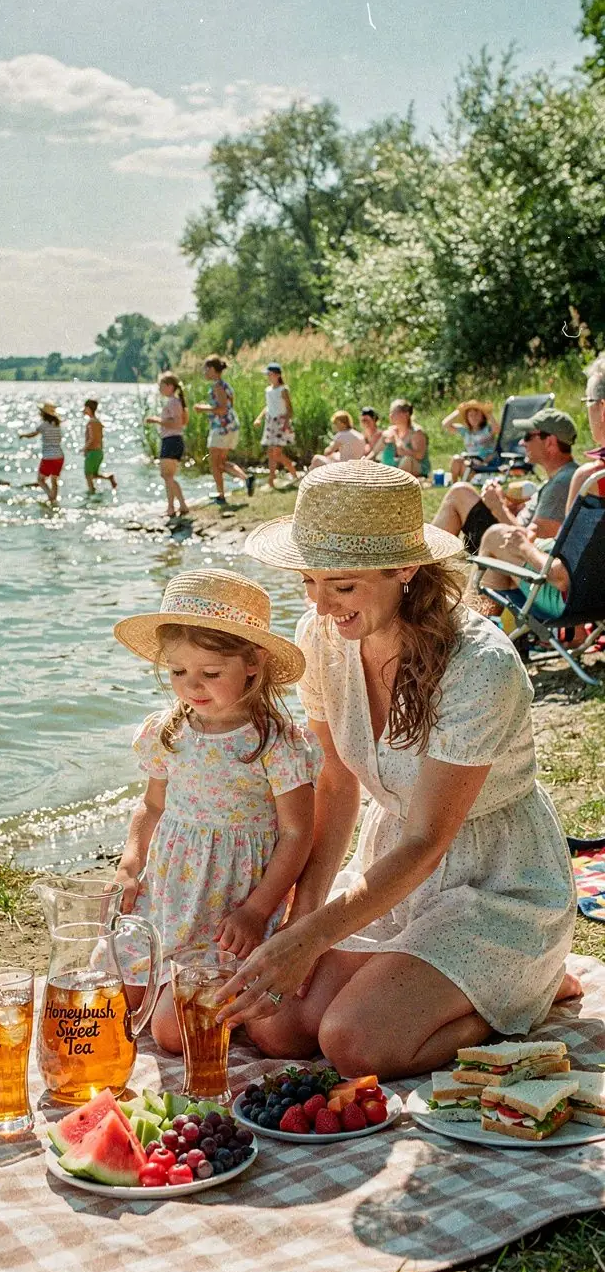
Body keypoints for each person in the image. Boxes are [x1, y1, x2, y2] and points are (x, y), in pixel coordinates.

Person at [212, 461, 576, 1080]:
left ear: (405, 569)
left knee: (354, 1044)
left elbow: (427, 841)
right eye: (309, 580)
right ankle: (439, 984)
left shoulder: (479, 666)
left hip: (497, 884)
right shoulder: (322, 637)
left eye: (343, 586)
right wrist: (305, 920)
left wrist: (307, 942)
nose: (321, 605)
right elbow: (336, 784)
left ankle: (524, 993)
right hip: (393, 868)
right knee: (278, 1028)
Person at [111, 568, 320, 1053]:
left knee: (169, 1032)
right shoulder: (167, 732)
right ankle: (186, 989)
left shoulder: (275, 743)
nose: (190, 687)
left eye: (210, 673)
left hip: (229, 911)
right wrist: (129, 864)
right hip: (168, 901)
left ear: (253, 663)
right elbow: (152, 804)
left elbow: (297, 834)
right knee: (119, 998)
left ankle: (242, 1000)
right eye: (178, 672)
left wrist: (257, 909)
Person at [477, 366, 605, 617]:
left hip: (578, 602)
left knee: (495, 536)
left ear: (602, 409)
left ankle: (478, 633)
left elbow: (562, 578)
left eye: (588, 402)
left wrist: (524, 547)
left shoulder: (591, 479)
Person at [432, 408, 579, 555]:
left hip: (509, 548)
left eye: (528, 436)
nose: (522, 442)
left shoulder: (562, 483)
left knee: (459, 493)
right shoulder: (563, 477)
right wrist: (515, 509)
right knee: (460, 492)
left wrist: (498, 507)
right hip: (508, 536)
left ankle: (424, 564)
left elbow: (536, 544)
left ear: (549, 442)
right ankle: (425, 564)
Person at [194, 356, 255, 504]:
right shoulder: (224, 385)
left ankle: (221, 496)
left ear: (213, 369)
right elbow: (229, 406)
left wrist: (203, 408)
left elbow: (222, 409)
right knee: (221, 463)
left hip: (221, 428)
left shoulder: (217, 386)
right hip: (230, 426)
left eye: (206, 368)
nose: (204, 371)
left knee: (214, 463)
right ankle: (247, 479)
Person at [145, 373, 189, 518]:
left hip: (172, 440)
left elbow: (177, 423)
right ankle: (171, 507)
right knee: (168, 476)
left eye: (161, 386)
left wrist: (157, 420)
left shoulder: (173, 402)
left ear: (170, 386)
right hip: (173, 440)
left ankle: (182, 505)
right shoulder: (175, 401)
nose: (159, 389)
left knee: (166, 475)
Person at [253, 363, 299, 488]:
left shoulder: (283, 390)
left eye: (270, 374)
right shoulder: (268, 390)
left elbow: (290, 409)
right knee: (270, 453)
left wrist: (285, 424)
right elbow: (268, 406)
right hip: (270, 423)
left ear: (277, 375)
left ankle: (294, 474)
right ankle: (272, 480)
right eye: (267, 375)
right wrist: (259, 418)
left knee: (277, 454)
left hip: (280, 423)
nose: (268, 377)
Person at [441, 400, 499, 483]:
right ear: (467, 418)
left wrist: (488, 413)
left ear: (483, 416)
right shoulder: (466, 431)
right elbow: (445, 424)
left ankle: (461, 484)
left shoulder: (487, 429)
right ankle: (455, 486)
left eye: (477, 414)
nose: (474, 417)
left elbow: (497, 429)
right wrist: (459, 410)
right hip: (470, 462)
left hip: (484, 464)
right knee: (456, 459)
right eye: (470, 415)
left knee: (466, 463)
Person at [19, 401, 64, 504]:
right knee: (54, 480)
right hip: (59, 456)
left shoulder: (44, 425)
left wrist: (23, 435)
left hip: (49, 457)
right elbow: (59, 439)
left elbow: (33, 434)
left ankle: (50, 496)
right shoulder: (57, 425)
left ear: (44, 414)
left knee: (40, 479)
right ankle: (54, 499)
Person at [379, 398, 430, 478]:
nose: (391, 415)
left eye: (394, 413)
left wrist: (396, 440)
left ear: (406, 414)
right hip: (400, 466)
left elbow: (419, 456)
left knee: (407, 460)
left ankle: (393, 482)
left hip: (418, 468)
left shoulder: (416, 432)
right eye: (390, 412)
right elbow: (376, 451)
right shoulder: (393, 430)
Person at [82, 399, 117, 493]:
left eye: (85, 407)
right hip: (98, 452)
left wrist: (84, 448)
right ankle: (109, 477)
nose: (84, 409)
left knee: (88, 475)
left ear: (88, 408)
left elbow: (92, 438)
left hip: (93, 452)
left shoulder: (92, 422)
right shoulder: (97, 422)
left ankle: (91, 493)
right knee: (93, 474)